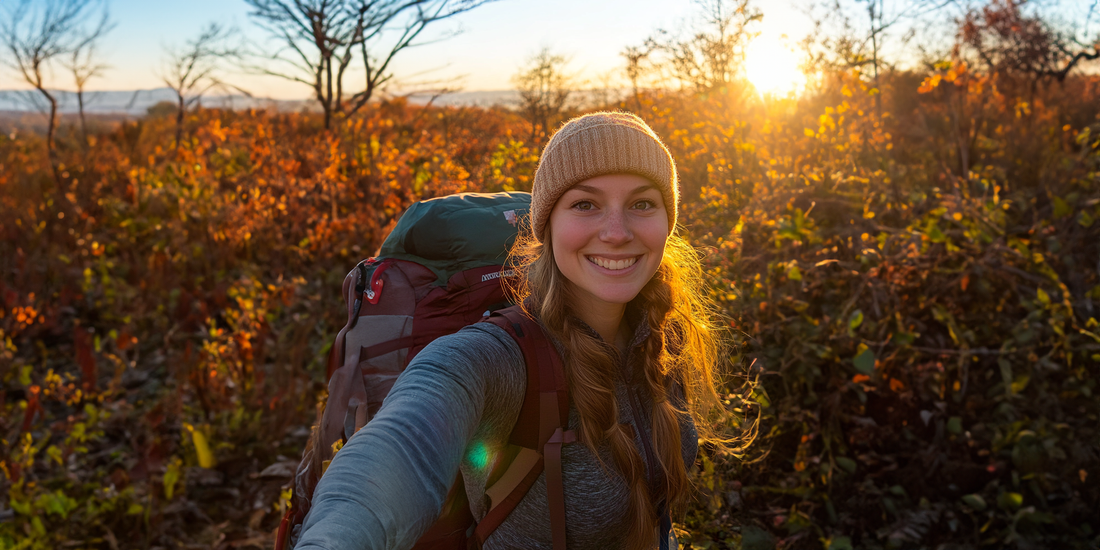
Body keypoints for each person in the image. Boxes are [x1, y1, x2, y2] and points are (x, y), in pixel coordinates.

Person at [293, 112, 726, 550]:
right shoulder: (496, 358)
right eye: (585, 204)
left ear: (667, 220)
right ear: (547, 224)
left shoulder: (663, 334)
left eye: (642, 203)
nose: (616, 232)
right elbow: (399, 449)